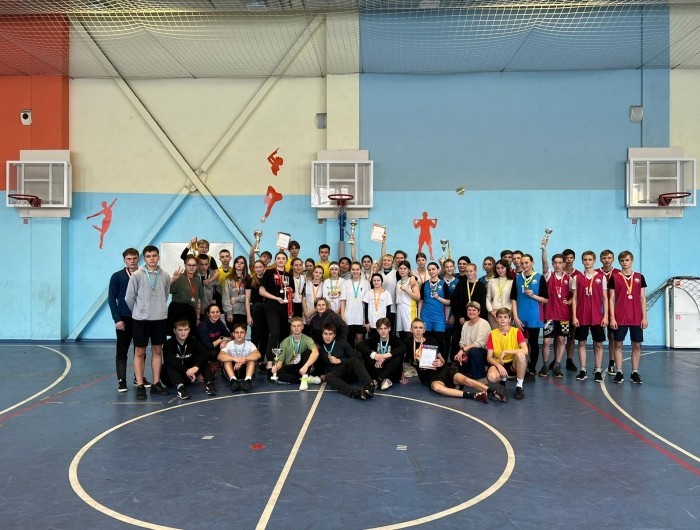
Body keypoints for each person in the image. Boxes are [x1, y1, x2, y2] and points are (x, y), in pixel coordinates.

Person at [406, 319, 504, 402]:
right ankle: (475, 396)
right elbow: (401, 357)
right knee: (438, 388)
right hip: (429, 377)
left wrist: (440, 362)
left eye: (420, 328)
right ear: (411, 329)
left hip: (443, 370)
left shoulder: (431, 340)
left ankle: (493, 392)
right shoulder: (407, 343)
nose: (418, 330)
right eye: (415, 328)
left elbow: (442, 359)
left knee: (467, 380)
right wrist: (401, 376)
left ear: (424, 330)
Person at [125, 245, 171, 399]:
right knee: (140, 352)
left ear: (158, 257)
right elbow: (129, 298)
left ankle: (156, 384)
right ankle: (140, 385)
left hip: (160, 319)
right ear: (144, 258)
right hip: (141, 320)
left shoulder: (165, 276)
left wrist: (158, 307)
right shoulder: (137, 275)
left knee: (158, 351)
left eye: (154, 255)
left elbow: (165, 295)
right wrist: (139, 311)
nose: (152, 258)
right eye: (148, 256)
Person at [608, 251, 648, 384]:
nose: (624, 262)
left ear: (632, 261)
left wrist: (644, 317)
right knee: (618, 344)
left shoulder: (639, 277)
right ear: (619, 262)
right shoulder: (614, 278)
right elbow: (611, 299)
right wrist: (612, 317)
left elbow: (642, 298)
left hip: (636, 317)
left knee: (636, 345)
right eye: (622, 260)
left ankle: (634, 372)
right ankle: (619, 371)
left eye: (627, 260)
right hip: (620, 316)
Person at [108, 247, 143, 392]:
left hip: (140, 318)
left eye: (134, 258)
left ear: (138, 259)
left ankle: (138, 378)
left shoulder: (143, 274)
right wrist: (117, 319)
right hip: (124, 319)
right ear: (124, 260)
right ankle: (121, 380)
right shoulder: (117, 276)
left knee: (140, 350)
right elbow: (111, 299)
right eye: (129, 259)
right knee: (122, 351)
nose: (132, 261)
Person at [571, 251, 608, 382]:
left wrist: (606, 316)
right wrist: (574, 316)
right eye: (585, 259)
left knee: (598, 344)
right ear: (582, 261)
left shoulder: (601, 277)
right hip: (582, 316)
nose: (587, 262)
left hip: (597, 316)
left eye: (590, 259)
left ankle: (598, 370)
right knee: (581, 343)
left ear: (594, 261)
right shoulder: (577, 278)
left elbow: (605, 298)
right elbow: (574, 298)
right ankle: (583, 370)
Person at [510, 254, 548, 377]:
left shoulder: (539, 277)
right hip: (520, 316)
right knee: (520, 343)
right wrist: (515, 317)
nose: (524, 265)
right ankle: (520, 368)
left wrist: (533, 295)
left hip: (534, 316)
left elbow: (545, 299)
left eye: (526, 262)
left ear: (532, 262)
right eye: (522, 263)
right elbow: (513, 299)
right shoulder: (517, 278)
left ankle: (532, 369)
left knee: (533, 342)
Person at [538, 245, 572, 379]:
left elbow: (575, 294)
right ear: (552, 264)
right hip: (549, 315)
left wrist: (570, 301)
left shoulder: (569, 279)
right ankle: (545, 365)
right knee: (547, 341)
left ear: (564, 264)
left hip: (564, 316)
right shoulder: (548, 275)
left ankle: (557, 365)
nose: (557, 265)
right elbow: (544, 262)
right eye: (555, 263)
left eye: (560, 263)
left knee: (561, 340)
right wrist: (544, 248)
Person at [258, 251, 294, 373]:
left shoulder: (289, 275)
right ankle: (269, 362)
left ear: (286, 261)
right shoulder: (269, 272)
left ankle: (280, 362)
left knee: (284, 336)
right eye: (278, 258)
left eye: (283, 258)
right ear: (275, 260)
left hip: (285, 310)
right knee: (274, 333)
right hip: (272, 308)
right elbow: (261, 291)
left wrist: (289, 294)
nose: (280, 260)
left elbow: (293, 293)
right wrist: (276, 298)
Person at [163, 320, 217, 399]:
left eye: (185, 330)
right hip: (172, 378)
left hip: (190, 376)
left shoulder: (193, 341)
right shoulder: (168, 344)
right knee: (169, 364)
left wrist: (196, 367)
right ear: (174, 331)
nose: (183, 333)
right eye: (180, 330)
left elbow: (205, 353)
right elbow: (172, 361)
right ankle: (180, 388)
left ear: (189, 330)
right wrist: (188, 371)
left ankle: (210, 383)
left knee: (202, 360)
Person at [320, 324, 375, 400]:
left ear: (334, 335)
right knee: (328, 377)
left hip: (348, 372)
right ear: (322, 335)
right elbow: (320, 368)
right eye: (325, 334)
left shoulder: (342, 343)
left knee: (354, 360)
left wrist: (340, 360)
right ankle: (354, 393)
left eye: (330, 334)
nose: (328, 337)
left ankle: (370, 386)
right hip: (338, 378)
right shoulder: (321, 349)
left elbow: (357, 359)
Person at [486, 308, 528, 400]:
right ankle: (503, 379)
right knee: (491, 377)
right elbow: (489, 357)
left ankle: (519, 386)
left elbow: (525, 350)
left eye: (505, 317)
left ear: (509, 319)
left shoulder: (516, 331)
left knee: (521, 355)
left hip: (513, 364)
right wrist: (498, 365)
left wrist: (506, 351)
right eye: (500, 317)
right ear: (496, 319)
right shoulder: (492, 334)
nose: (502, 319)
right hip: (500, 362)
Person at [356, 317, 406, 391]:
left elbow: (403, 348)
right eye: (380, 329)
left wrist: (385, 356)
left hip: (390, 371)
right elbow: (359, 346)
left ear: (389, 329)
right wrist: (374, 355)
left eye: (385, 328)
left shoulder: (394, 338)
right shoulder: (374, 338)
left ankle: (379, 380)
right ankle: (383, 380)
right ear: (377, 330)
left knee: (398, 355)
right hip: (377, 369)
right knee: (366, 354)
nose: (383, 331)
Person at [272, 317, 321, 390]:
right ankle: (305, 379)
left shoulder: (308, 339)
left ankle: (304, 377)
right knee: (276, 374)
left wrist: (306, 366)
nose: (296, 328)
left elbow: (316, 352)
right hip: (291, 367)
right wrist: (276, 368)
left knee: (309, 351)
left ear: (302, 327)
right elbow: (280, 362)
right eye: (294, 326)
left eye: (298, 326)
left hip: (303, 366)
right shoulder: (284, 342)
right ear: (291, 328)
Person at [451, 263, 487, 357]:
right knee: (456, 339)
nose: (469, 273)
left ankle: (470, 359)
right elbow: (455, 301)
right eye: (467, 271)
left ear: (476, 271)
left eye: (471, 271)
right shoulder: (461, 284)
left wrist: (476, 318)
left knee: (473, 340)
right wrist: (460, 316)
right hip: (461, 318)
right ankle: (455, 360)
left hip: (475, 318)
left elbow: (483, 304)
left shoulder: (481, 286)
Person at [218, 322, 261, 392]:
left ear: (246, 334)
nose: (239, 334)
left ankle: (248, 380)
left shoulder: (250, 344)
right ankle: (233, 381)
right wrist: (234, 359)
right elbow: (220, 356)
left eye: (242, 332)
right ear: (233, 334)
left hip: (246, 371)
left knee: (251, 359)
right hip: (232, 370)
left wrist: (243, 359)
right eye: (237, 332)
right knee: (226, 359)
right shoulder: (229, 344)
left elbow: (258, 354)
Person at [417, 261, 451, 348]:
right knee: (426, 340)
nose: (431, 271)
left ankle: (440, 357)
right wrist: (418, 316)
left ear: (438, 270)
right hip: (426, 316)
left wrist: (438, 298)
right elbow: (421, 301)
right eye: (429, 270)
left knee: (439, 340)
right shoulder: (425, 284)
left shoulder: (443, 284)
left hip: (439, 317)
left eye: (433, 269)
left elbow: (448, 302)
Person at [455, 302, 491, 380]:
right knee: (458, 354)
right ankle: (469, 373)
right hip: (469, 351)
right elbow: (462, 342)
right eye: (469, 310)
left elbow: (480, 343)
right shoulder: (465, 324)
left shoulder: (483, 323)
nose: (471, 312)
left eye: (474, 310)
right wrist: (462, 352)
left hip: (484, 353)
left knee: (473, 351)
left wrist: (463, 350)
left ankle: (480, 377)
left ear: (479, 312)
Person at [168, 255, 203, 335]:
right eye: (189, 265)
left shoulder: (197, 279)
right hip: (178, 310)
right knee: (177, 336)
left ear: (197, 266)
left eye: (194, 265)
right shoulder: (179, 277)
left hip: (191, 311)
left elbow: (199, 299)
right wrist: (173, 280)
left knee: (191, 336)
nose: (191, 267)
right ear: (185, 265)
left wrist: (198, 317)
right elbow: (167, 290)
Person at [598, 249, 619, 375]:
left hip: (613, 310)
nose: (607, 260)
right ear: (601, 259)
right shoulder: (595, 273)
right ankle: (598, 367)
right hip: (598, 309)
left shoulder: (618, 273)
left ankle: (612, 362)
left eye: (609, 258)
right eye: (604, 258)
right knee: (598, 339)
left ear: (613, 259)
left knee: (612, 337)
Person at [561, 248, 582, 372]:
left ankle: (569, 359)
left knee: (571, 335)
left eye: (571, 257)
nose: (568, 260)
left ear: (574, 259)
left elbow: (580, 294)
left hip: (573, 311)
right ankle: (557, 360)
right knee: (560, 336)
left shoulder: (578, 275)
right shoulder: (557, 273)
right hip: (559, 311)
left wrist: (571, 301)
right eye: (566, 258)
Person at [340, 261, 371, 345]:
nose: (355, 271)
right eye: (353, 269)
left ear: (361, 270)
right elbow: (343, 301)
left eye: (357, 269)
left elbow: (368, 303)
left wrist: (366, 319)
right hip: (349, 317)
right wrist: (343, 316)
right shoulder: (345, 283)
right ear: (350, 270)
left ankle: (359, 355)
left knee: (360, 342)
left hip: (361, 318)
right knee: (349, 342)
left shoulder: (366, 283)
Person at [246, 259, 268, 367]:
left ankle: (260, 360)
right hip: (255, 310)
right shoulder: (250, 280)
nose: (258, 269)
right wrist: (249, 316)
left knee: (265, 336)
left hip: (267, 310)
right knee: (255, 336)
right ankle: (252, 360)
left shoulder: (268, 279)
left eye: (260, 267)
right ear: (254, 269)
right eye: (256, 267)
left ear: (264, 267)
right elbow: (247, 299)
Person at [394, 261, 420, 338]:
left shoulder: (412, 281)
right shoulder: (398, 282)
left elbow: (418, 297)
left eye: (405, 268)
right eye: (400, 268)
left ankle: (412, 346)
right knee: (401, 333)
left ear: (409, 270)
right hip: (399, 308)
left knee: (410, 333)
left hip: (409, 308)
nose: (402, 270)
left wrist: (407, 290)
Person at [222, 255, 249, 328]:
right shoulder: (228, 278)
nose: (239, 264)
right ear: (234, 264)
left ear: (245, 265)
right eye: (237, 262)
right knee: (232, 333)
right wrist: (229, 312)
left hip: (244, 312)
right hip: (231, 312)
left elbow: (249, 297)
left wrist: (236, 299)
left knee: (242, 333)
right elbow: (226, 297)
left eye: (242, 263)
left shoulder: (248, 279)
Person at [363, 273, 393, 337]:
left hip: (382, 324)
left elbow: (388, 310)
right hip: (371, 324)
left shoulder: (387, 294)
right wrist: (366, 322)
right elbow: (366, 309)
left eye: (378, 280)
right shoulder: (368, 293)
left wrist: (386, 323)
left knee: (382, 339)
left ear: (382, 281)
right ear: (372, 282)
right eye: (374, 280)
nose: (376, 282)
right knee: (372, 340)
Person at [486, 259, 513, 329]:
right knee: (495, 334)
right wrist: (491, 311)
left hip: (507, 314)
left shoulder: (512, 282)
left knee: (506, 334)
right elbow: (488, 298)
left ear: (507, 268)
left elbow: (513, 300)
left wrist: (507, 311)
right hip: (493, 314)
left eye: (502, 268)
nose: (500, 270)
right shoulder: (491, 281)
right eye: (498, 268)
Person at [196, 254, 221, 319]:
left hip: (208, 310)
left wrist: (215, 301)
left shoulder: (213, 275)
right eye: (201, 264)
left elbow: (218, 290)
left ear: (209, 264)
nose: (204, 267)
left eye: (206, 264)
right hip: (195, 310)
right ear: (197, 264)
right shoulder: (193, 275)